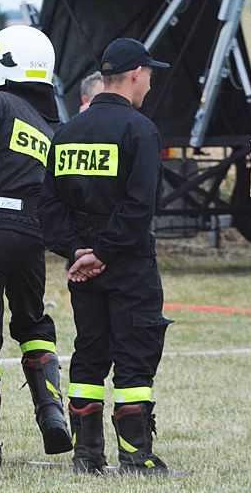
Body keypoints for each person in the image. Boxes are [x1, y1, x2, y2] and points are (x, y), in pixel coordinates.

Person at [38, 37, 180, 475]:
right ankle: (137, 457)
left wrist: (77, 251)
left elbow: (47, 205)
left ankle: (87, 457)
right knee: (135, 354)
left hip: (83, 264)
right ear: (136, 74)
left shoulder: (67, 131)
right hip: (128, 260)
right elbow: (140, 207)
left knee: (90, 352)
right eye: (149, 76)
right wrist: (103, 251)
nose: (150, 85)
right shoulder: (139, 130)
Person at [0, 25, 72, 469]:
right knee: (32, 322)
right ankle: (51, 414)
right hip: (32, 233)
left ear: (4, 68)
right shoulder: (48, 123)